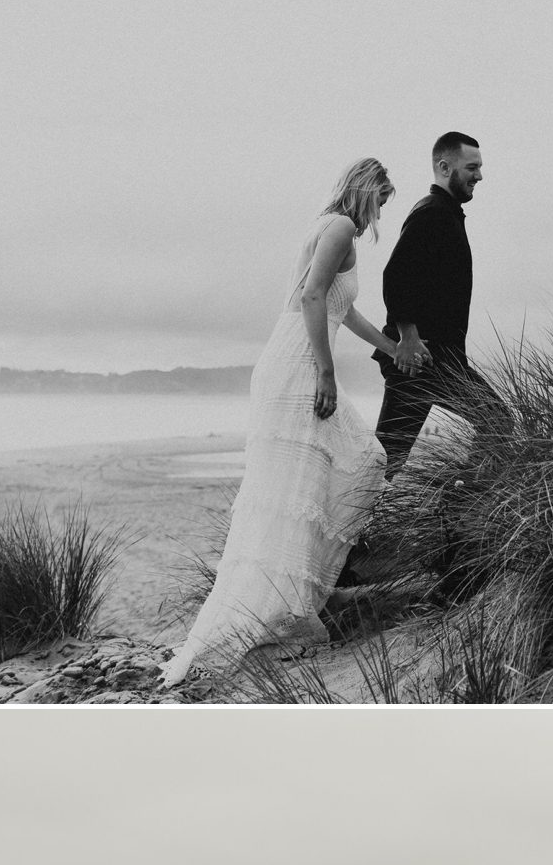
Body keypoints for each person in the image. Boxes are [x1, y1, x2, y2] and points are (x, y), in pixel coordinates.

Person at [160, 160, 407, 692]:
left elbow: (340, 308)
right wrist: (326, 370)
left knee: (331, 476)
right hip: (297, 364)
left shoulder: (329, 228)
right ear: (367, 192)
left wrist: (388, 346)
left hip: (291, 358)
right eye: (383, 199)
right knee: (357, 465)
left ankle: (301, 596)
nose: (382, 211)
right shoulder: (340, 227)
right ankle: (288, 603)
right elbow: (313, 298)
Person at [372, 131, 487, 478]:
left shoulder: (446, 213)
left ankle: (460, 510)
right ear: (444, 166)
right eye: (472, 167)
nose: (479, 176)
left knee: (495, 421)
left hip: (443, 361)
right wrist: (408, 338)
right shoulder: (432, 213)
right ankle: (460, 510)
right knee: (385, 462)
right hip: (418, 363)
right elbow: (395, 277)